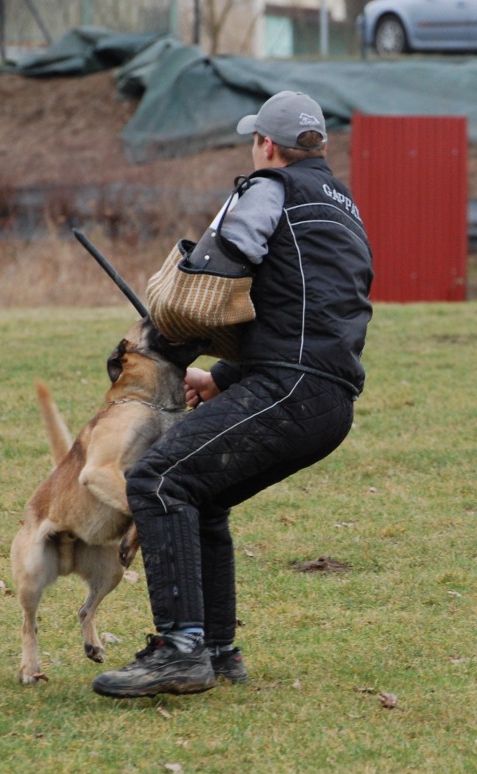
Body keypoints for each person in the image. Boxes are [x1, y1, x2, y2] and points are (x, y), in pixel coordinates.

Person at [92, 90, 373, 698]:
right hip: (328, 401)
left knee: (158, 480)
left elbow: (224, 265)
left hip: (291, 388)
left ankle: (179, 651)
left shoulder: (268, 187)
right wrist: (218, 379)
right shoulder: (345, 205)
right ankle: (218, 650)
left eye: (255, 141)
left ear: (267, 145)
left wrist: (160, 342)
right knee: (203, 493)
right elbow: (310, 314)